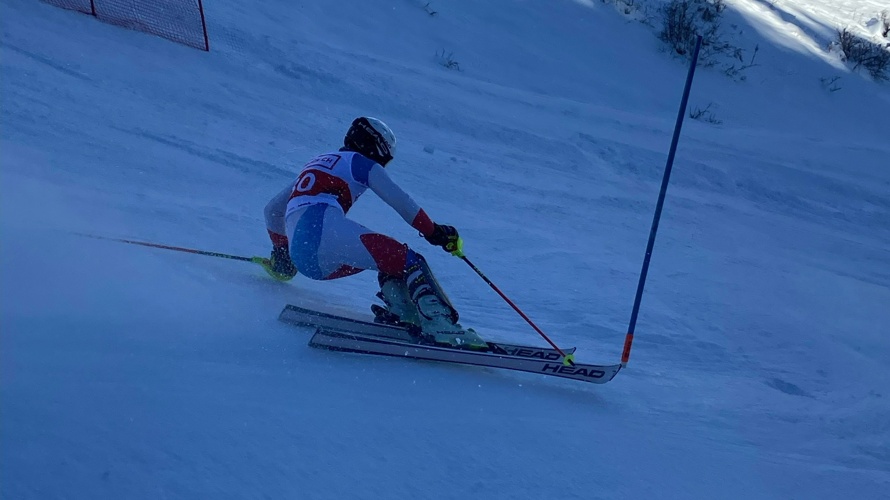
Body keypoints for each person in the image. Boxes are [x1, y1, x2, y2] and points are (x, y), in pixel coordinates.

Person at [262, 117, 486, 349]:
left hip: (303, 256)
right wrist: (435, 231)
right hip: (324, 234)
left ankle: (404, 313)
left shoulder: (317, 163)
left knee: (388, 261)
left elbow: (272, 211)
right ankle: (441, 325)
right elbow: (401, 201)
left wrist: (283, 254)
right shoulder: (360, 162)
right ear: (377, 147)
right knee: (410, 261)